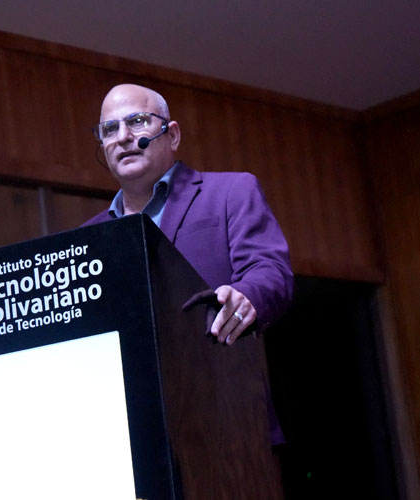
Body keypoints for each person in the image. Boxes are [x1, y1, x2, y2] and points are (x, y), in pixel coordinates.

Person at [84, 83, 294, 444]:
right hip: (129, 436)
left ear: (172, 133)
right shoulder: (90, 236)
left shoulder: (231, 192)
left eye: (136, 121)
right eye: (109, 129)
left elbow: (270, 271)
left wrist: (245, 297)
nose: (122, 137)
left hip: (229, 425)